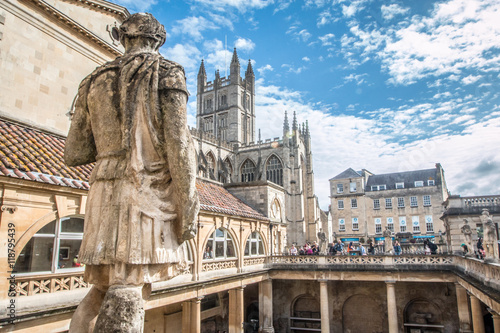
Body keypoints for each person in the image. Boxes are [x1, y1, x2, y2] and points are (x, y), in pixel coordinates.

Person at [65, 13, 200, 332]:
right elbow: (179, 145)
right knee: (130, 287)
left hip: (102, 194)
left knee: (101, 289)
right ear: (158, 39)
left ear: (121, 37)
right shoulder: (167, 72)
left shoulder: (93, 80)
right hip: (144, 195)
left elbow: (74, 153)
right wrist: (189, 205)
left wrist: (109, 135)